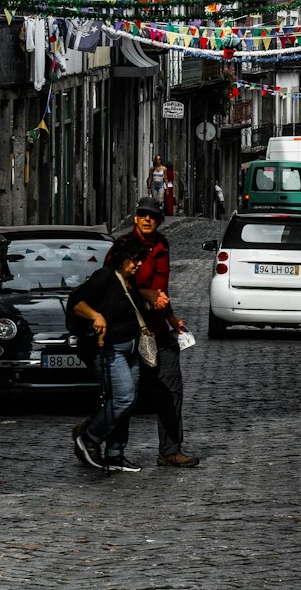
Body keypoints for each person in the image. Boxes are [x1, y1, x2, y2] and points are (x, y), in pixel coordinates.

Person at [117, 197, 199, 468]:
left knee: (172, 389)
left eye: (152, 215)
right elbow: (112, 285)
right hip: (130, 330)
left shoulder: (163, 245)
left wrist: (173, 318)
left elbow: (161, 290)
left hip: (159, 329)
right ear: (135, 218)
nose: (147, 219)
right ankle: (103, 442)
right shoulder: (124, 247)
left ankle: (170, 450)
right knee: (126, 392)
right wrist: (146, 294)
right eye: (142, 214)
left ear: (160, 220)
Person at [70, 235, 149, 473]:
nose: (138, 265)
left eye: (140, 260)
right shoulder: (105, 277)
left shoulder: (130, 283)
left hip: (131, 351)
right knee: (124, 397)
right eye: (134, 260)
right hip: (109, 350)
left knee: (127, 401)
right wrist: (96, 315)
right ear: (122, 258)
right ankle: (89, 436)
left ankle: (115, 453)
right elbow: (77, 302)